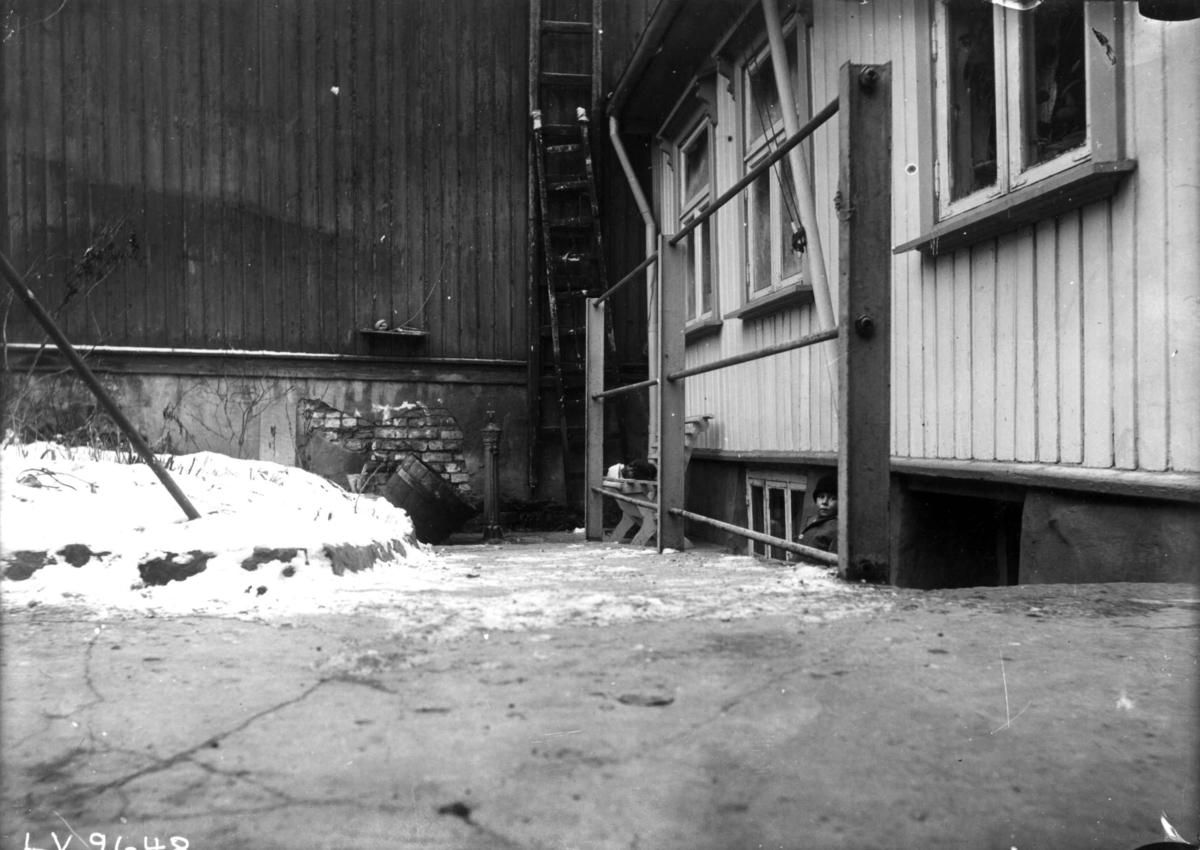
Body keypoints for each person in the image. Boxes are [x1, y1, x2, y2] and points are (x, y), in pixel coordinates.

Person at [797, 472, 838, 557]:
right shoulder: (812, 520)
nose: (824, 502)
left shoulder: (838, 528)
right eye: (821, 496)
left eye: (832, 498)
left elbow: (834, 565)